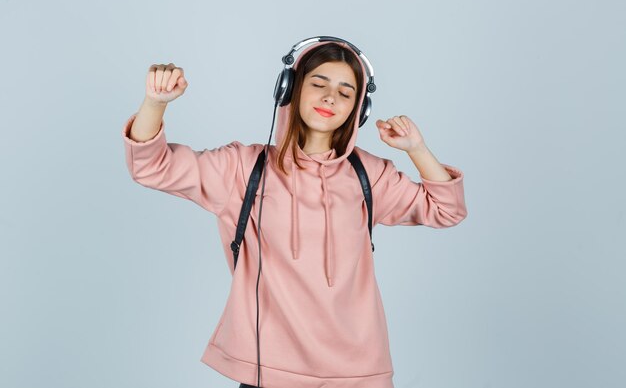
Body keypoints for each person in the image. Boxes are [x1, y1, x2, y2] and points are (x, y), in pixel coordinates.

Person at [121, 39, 468, 388]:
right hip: (267, 371)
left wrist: (416, 149)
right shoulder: (243, 168)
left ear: (359, 109)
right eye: (318, 84)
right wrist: (155, 103)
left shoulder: (370, 174)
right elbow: (152, 167)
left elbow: (447, 210)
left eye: (345, 93)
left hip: (359, 372)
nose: (331, 97)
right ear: (290, 90)